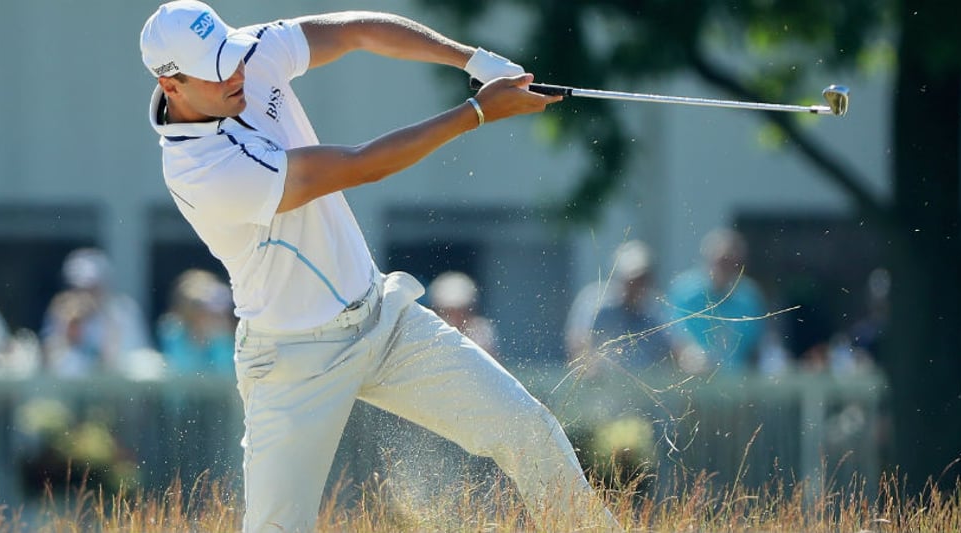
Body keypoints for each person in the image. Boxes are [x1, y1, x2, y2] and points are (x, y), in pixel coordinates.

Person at [139, 2, 615, 531]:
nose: (238, 71)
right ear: (173, 84)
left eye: (233, 54)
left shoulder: (244, 57)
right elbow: (360, 165)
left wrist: (474, 59)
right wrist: (477, 112)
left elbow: (360, 31)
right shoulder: (200, 171)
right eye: (217, 67)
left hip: (382, 318)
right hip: (295, 357)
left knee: (530, 430)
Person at [569, 240, 678, 376]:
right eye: (634, 279)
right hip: (602, 386)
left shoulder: (655, 309)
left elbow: (675, 347)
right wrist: (588, 366)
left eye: (644, 279)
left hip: (645, 388)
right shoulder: (595, 301)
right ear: (619, 277)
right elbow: (579, 341)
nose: (639, 286)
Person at [666, 228, 766, 375]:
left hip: (735, 386)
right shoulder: (684, 291)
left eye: (733, 262)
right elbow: (670, 333)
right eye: (722, 260)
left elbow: (758, 347)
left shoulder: (749, 298)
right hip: (691, 382)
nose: (726, 267)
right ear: (709, 259)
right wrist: (687, 354)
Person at [40, 248, 153, 377]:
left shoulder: (124, 311)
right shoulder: (59, 313)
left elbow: (135, 362)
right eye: (76, 287)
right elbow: (49, 365)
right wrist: (67, 333)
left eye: (90, 288)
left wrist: (108, 324)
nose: (83, 294)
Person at [157, 269, 236, 377]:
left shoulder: (222, 337)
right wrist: (197, 340)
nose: (204, 315)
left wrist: (218, 338)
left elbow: (227, 372)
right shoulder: (172, 332)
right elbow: (182, 371)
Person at [428, 271, 499, 358]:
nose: (455, 316)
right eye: (449, 312)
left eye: (460, 310)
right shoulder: (431, 331)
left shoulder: (480, 331)